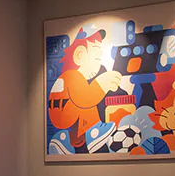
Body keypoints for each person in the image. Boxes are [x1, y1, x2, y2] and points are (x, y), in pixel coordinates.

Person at [47, 26, 123, 154]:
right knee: (87, 104)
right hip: (68, 118)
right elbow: (86, 98)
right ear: (80, 55)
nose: (100, 54)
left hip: (75, 124)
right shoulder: (72, 76)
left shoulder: (78, 77)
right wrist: (102, 84)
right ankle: (92, 131)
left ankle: (78, 137)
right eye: (96, 50)